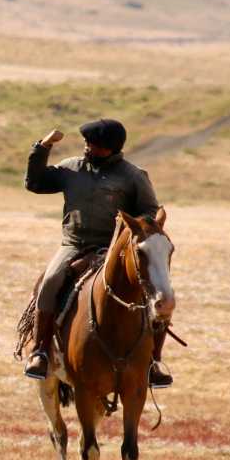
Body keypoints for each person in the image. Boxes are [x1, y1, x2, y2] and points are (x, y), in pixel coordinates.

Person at [23, 118, 173, 388]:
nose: (87, 147)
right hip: (73, 245)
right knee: (49, 283)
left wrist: (125, 232)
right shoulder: (71, 168)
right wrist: (42, 147)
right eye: (86, 142)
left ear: (111, 148)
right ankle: (40, 351)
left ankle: (154, 361)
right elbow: (35, 182)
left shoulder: (133, 176)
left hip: (115, 250)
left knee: (158, 293)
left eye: (94, 144)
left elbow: (149, 214)